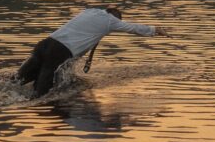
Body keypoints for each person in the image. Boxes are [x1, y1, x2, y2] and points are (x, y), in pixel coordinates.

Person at [15, 6, 170, 97]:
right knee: (42, 93)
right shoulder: (110, 21)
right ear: (115, 19)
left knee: (17, 80)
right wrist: (155, 29)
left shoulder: (89, 12)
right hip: (60, 52)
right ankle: (32, 105)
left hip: (45, 44)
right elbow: (133, 28)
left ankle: (0, 89)